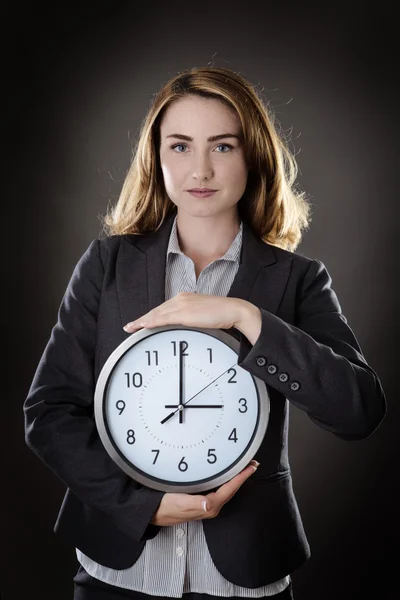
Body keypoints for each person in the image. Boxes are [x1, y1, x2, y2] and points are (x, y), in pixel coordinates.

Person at [23, 66, 386, 600]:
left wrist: (247, 317)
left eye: (222, 147)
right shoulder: (108, 264)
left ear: (252, 155)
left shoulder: (297, 279)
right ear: (157, 157)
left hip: (244, 573)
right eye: (179, 146)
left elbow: (359, 411)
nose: (200, 169)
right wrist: (140, 504)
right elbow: (49, 412)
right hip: (118, 574)